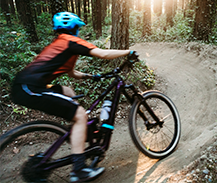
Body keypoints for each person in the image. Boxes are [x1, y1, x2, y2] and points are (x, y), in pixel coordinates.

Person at [11, 12, 137, 182]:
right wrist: (128, 52)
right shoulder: (70, 41)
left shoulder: (62, 44)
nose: (79, 32)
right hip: (29, 87)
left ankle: (77, 132)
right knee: (80, 115)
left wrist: (92, 76)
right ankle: (79, 170)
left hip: (27, 85)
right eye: (78, 28)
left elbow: (72, 73)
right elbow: (103, 54)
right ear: (74, 28)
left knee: (68, 92)